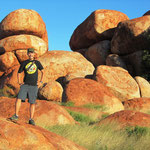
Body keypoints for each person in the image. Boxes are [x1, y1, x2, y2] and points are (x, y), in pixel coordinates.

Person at [9, 48, 44, 125]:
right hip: (25, 84)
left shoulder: (37, 63)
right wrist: (19, 82)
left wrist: (40, 82)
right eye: (29, 53)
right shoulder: (24, 63)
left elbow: (43, 71)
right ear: (27, 54)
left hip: (34, 85)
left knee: (32, 102)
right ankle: (16, 115)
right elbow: (19, 73)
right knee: (18, 99)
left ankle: (31, 119)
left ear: (34, 54)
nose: (30, 54)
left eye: (32, 53)